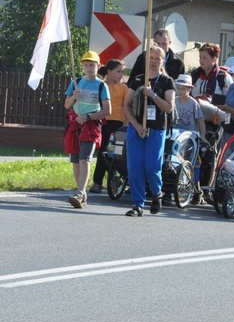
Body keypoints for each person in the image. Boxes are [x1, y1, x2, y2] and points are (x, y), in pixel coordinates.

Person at [122, 45, 176, 217]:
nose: (153, 61)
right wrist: (136, 125)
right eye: (151, 58)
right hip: (137, 129)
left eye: (157, 58)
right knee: (135, 167)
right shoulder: (138, 79)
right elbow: (126, 105)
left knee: (152, 168)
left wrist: (152, 95)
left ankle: (157, 193)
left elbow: (169, 107)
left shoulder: (167, 82)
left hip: (156, 129)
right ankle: (138, 204)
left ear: (163, 61)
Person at [63, 51, 112, 208]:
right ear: (83, 66)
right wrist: (73, 97)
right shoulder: (76, 82)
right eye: (86, 65)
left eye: (92, 65)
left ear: (98, 66)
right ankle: (81, 193)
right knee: (76, 161)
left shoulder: (101, 85)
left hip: (90, 126)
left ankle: (80, 192)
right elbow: (66, 104)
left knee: (85, 159)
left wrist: (89, 117)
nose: (89, 68)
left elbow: (107, 110)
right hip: (75, 124)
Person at [89, 59, 128, 195]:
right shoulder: (102, 86)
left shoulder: (124, 88)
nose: (120, 75)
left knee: (117, 153)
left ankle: (115, 178)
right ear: (109, 72)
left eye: (122, 72)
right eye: (118, 72)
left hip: (119, 124)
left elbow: (128, 106)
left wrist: (126, 123)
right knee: (103, 152)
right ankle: (98, 182)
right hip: (104, 122)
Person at [173, 74, 208, 142]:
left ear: (190, 89)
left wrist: (202, 136)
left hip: (189, 136)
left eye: (183, 89)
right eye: (178, 88)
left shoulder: (193, 103)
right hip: (175, 134)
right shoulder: (174, 101)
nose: (180, 91)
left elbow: (200, 121)